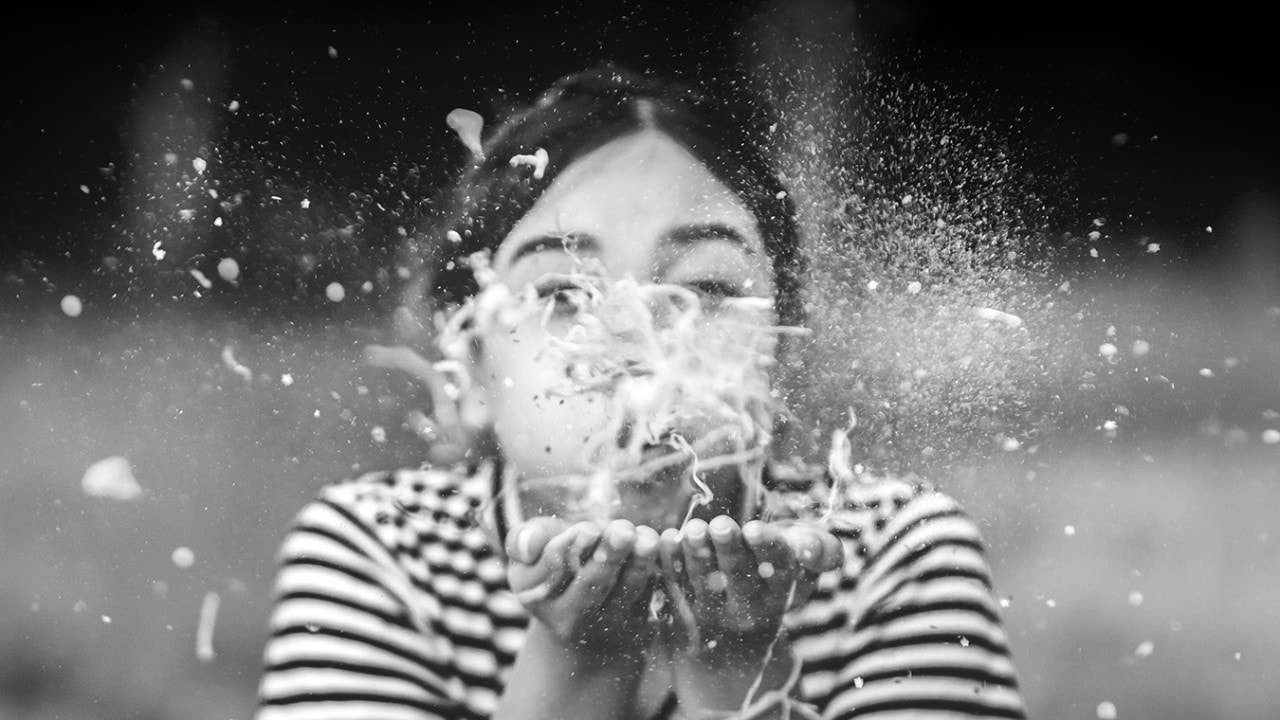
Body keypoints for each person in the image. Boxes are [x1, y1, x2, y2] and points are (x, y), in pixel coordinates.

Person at [253, 65, 1027, 720]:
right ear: (473, 366)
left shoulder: (889, 553)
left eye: (707, 287)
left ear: (778, 360)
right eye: (561, 292)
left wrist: (735, 684)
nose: (636, 341)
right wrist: (576, 664)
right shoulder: (387, 552)